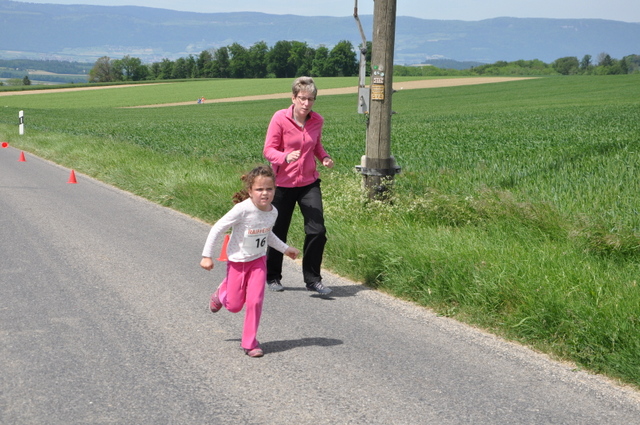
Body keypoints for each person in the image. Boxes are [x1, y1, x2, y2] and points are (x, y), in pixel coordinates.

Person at [200, 165, 300, 358]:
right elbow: (217, 228)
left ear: (275, 189)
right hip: (238, 262)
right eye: (259, 189)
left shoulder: (273, 211)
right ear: (250, 191)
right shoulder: (242, 209)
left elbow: (267, 234)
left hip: (258, 261)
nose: (265, 193)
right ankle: (221, 293)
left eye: (269, 189)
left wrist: (285, 249)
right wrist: (207, 255)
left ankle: (250, 343)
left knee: (255, 301)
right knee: (234, 306)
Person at [263, 76, 334, 295]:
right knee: (278, 230)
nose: (306, 103)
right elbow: (268, 150)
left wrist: (324, 157)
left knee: (317, 230)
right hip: (282, 183)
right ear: (293, 98)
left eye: (310, 99)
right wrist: (284, 157)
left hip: (308, 183)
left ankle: (313, 279)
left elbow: (316, 146)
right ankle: (272, 276)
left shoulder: (317, 120)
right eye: (302, 98)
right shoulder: (280, 118)